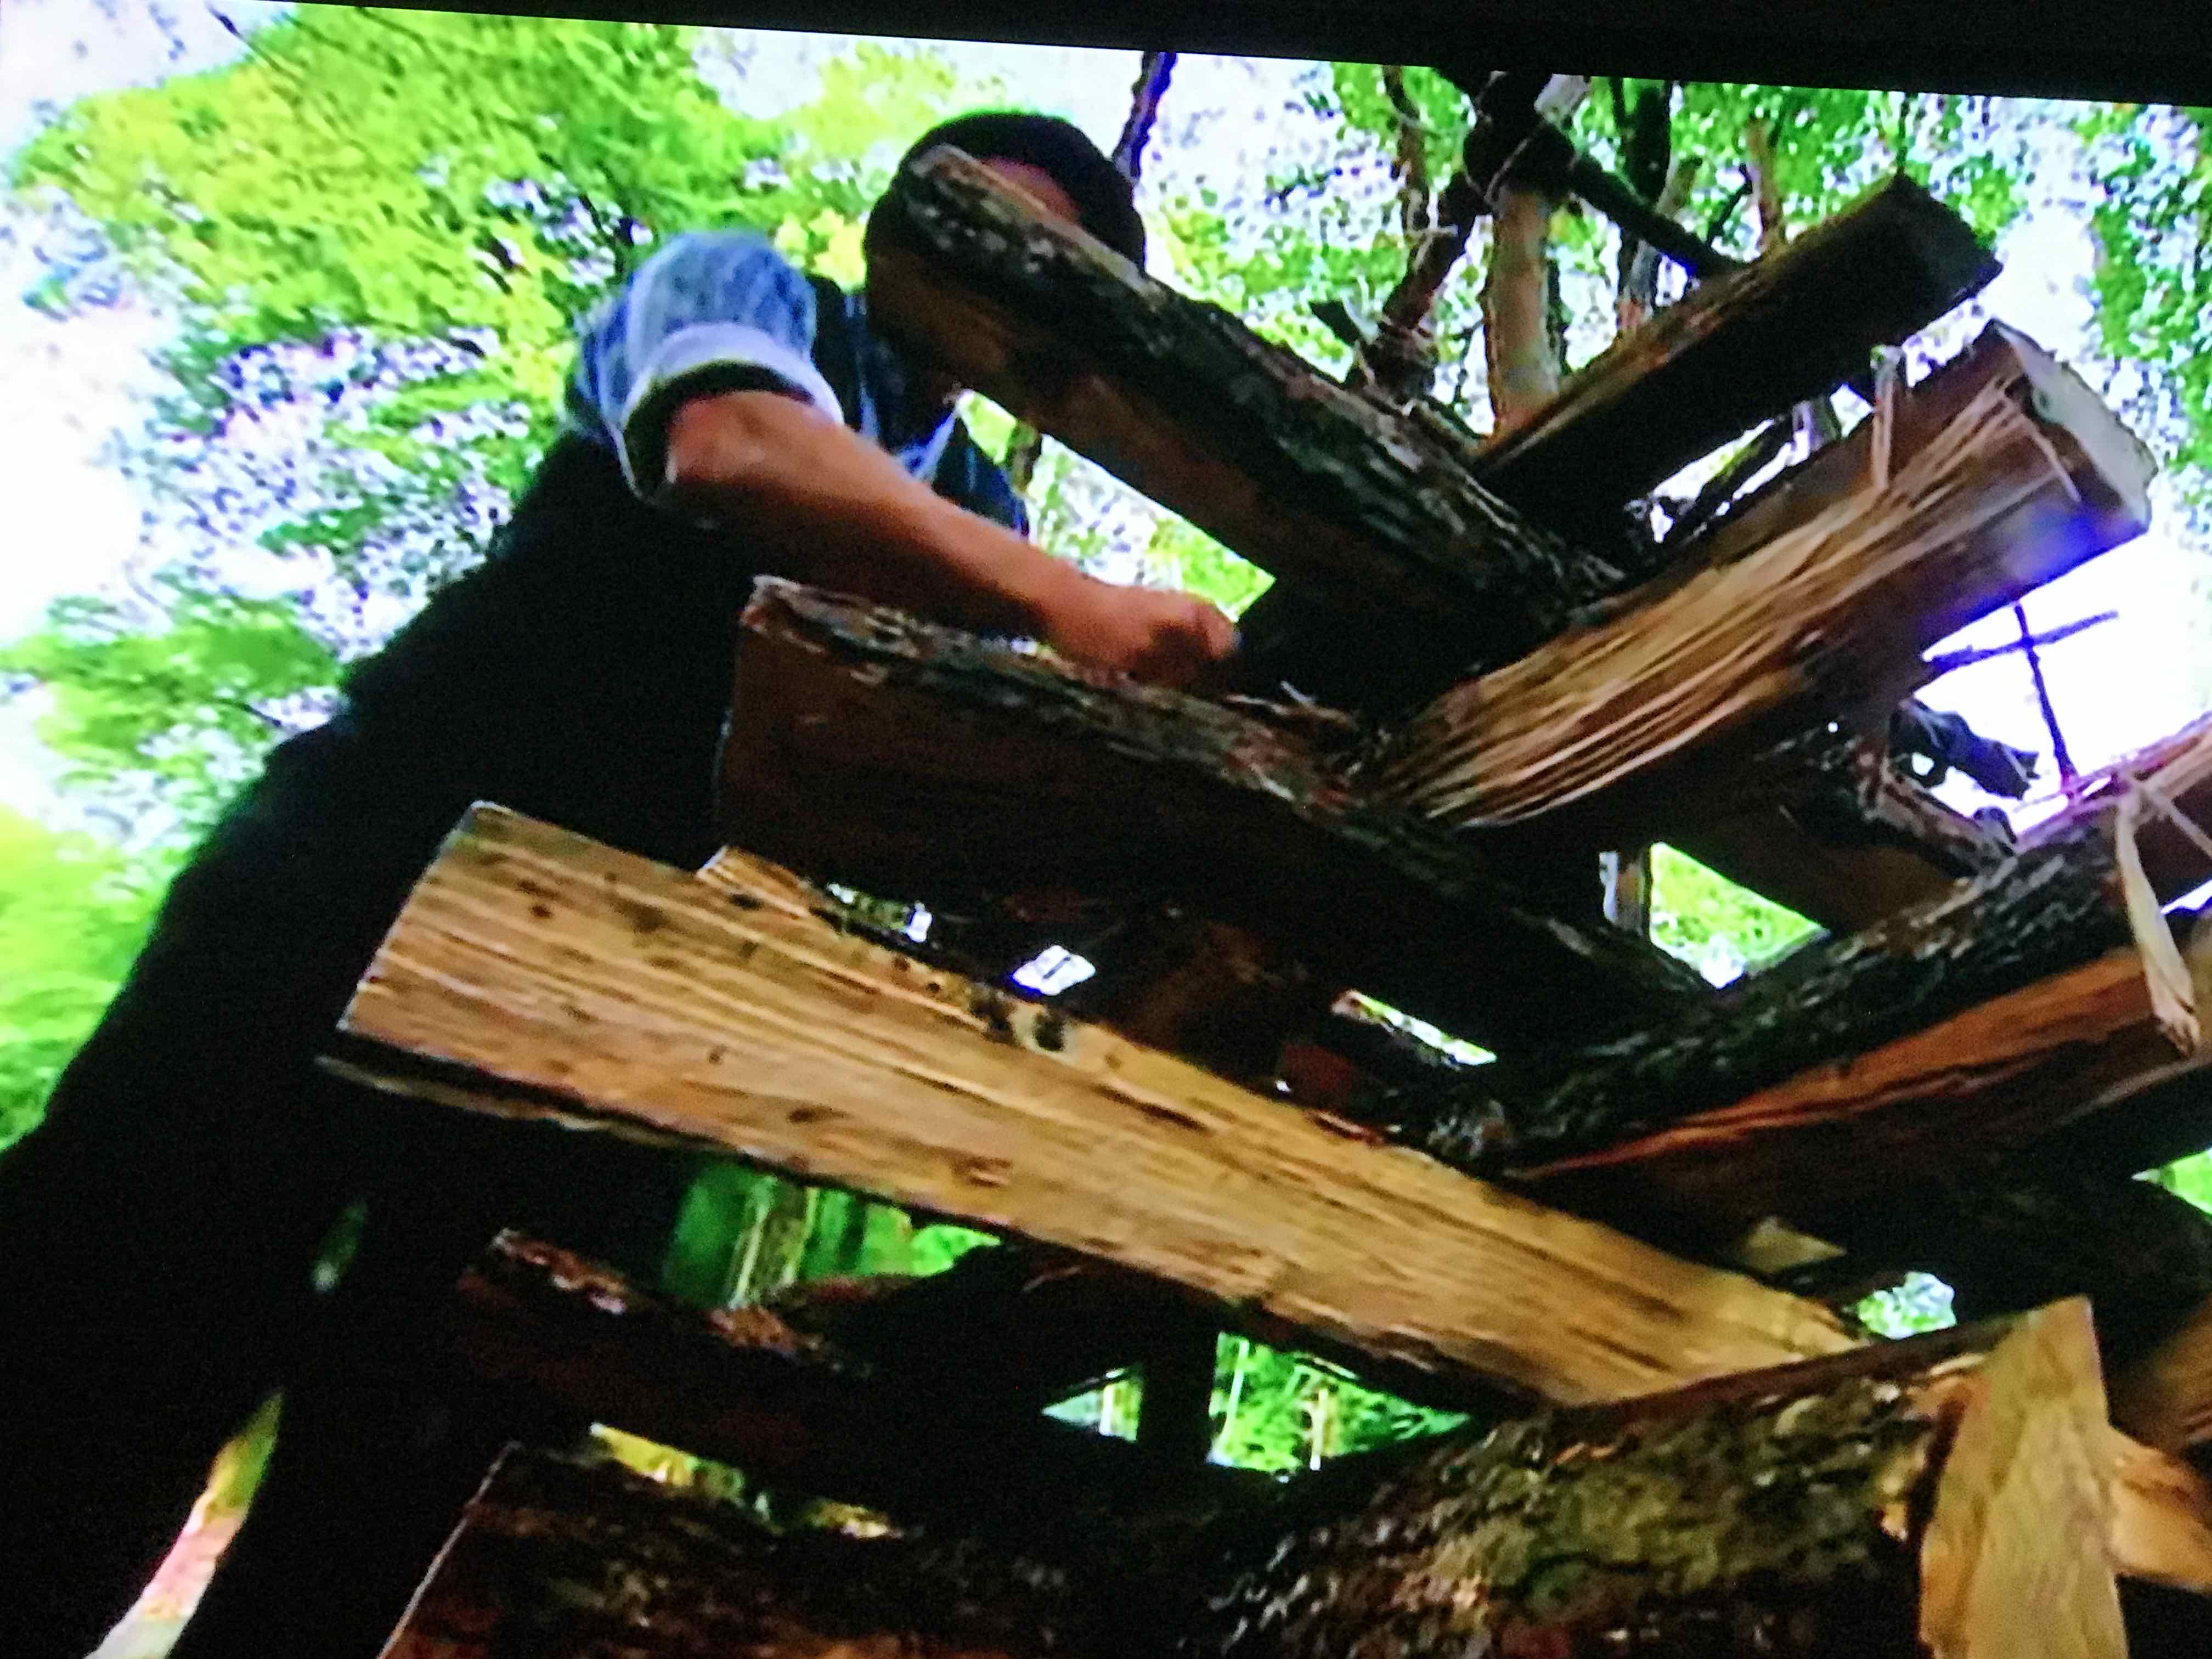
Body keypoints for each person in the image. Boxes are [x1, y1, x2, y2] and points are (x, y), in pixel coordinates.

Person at [0, 110, 1235, 1657]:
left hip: (623, 975)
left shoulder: (986, 513)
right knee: (123, 1290)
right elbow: (724, 450)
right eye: (978, 225)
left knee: (457, 1401)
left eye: (1046, 267)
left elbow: (880, 773)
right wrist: (1068, 606)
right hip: (383, 846)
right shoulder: (746, 292)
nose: (997, 274)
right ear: (897, 228)